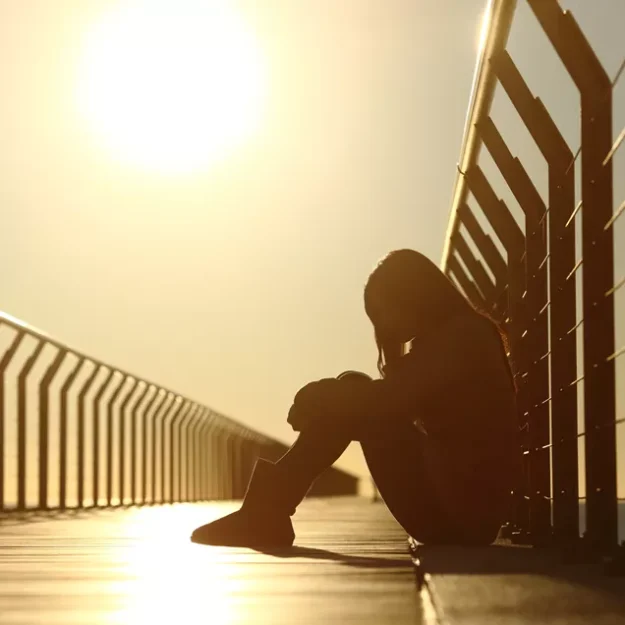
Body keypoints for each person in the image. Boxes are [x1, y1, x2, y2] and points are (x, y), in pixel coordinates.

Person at [191, 249, 521, 548]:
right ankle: (266, 513)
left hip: (458, 519)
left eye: (384, 311)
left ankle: (264, 514)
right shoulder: (457, 336)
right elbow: (389, 398)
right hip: (461, 510)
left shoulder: (460, 339)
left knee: (355, 398)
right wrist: (331, 397)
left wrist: (320, 395)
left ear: (413, 294)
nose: (384, 325)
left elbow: (385, 402)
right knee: (353, 391)